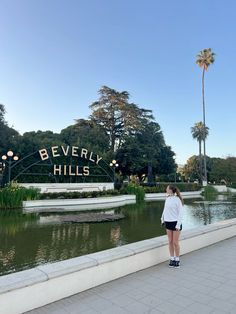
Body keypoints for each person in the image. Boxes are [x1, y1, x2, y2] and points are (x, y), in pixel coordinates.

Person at [161, 185, 184, 268]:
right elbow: (165, 210)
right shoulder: (167, 198)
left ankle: (177, 259)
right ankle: (172, 258)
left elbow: (181, 213)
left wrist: (178, 224)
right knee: (170, 241)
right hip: (168, 222)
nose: (166, 189)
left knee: (175, 242)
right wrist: (162, 219)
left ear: (170, 190)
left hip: (176, 223)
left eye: (167, 188)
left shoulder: (177, 200)